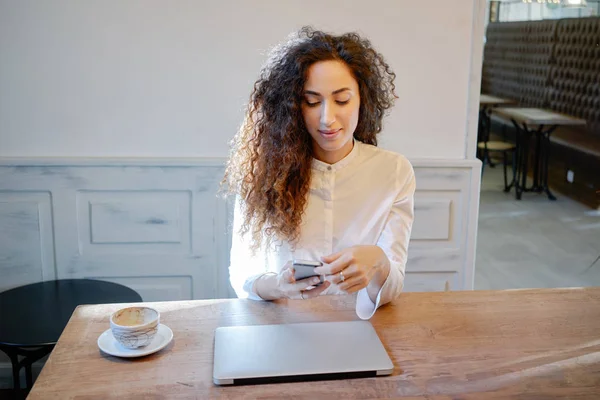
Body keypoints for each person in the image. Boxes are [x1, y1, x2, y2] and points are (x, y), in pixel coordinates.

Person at [221, 26, 416, 320]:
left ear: (363, 99)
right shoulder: (265, 173)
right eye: (312, 101)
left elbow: (392, 288)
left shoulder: (394, 171)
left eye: (342, 100)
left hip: (357, 329)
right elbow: (242, 278)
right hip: (281, 328)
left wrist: (379, 264)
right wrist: (279, 286)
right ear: (292, 107)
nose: (327, 118)